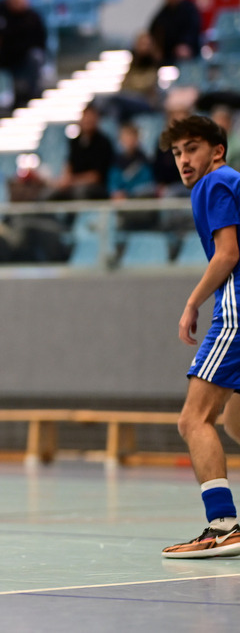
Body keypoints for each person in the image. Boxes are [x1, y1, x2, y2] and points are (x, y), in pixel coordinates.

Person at [159, 114, 240, 559]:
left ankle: (223, 525)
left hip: (236, 311)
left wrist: (192, 303)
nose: (184, 159)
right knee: (235, 422)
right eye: (177, 153)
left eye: (192, 148)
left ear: (217, 150)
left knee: (193, 419)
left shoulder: (215, 182)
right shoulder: (232, 181)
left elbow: (227, 253)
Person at [0, 0, 47, 109]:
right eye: (14, 1)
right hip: (7, 57)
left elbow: (40, 42)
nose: (18, 4)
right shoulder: (2, 15)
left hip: (25, 56)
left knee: (35, 57)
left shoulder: (33, 17)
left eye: (20, 1)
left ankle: (32, 94)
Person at [48, 103, 114, 201]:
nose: (87, 121)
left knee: (79, 192)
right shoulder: (75, 142)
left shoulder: (103, 143)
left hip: (96, 187)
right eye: (85, 117)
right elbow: (69, 164)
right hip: (74, 184)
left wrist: (72, 182)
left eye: (91, 118)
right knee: (50, 193)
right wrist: (64, 180)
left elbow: (95, 177)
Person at [149, 0, 202, 66]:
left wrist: (185, 44)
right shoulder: (163, 13)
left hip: (189, 52)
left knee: (182, 52)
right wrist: (155, 47)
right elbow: (154, 29)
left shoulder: (189, 9)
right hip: (167, 55)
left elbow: (193, 30)